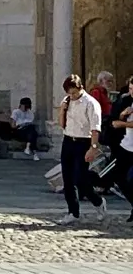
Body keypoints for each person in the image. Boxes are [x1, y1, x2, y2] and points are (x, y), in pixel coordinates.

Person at [58, 72, 105, 224]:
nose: (72, 96)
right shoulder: (67, 101)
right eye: (69, 93)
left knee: (80, 178)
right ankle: (73, 212)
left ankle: (98, 202)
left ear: (81, 88)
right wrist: (62, 109)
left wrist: (93, 147)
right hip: (68, 140)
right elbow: (61, 123)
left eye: (74, 93)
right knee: (67, 178)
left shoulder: (91, 103)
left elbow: (95, 128)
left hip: (83, 142)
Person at [111, 81, 133, 218]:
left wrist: (121, 123)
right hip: (126, 145)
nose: (132, 92)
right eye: (131, 89)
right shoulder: (127, 101)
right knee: (118, 176)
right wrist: (122, 115)